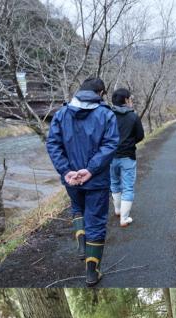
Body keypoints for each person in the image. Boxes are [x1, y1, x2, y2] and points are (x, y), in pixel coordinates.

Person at [45, 77, 119, 286]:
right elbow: (110, 145)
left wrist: (66, 171)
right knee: (95, 220)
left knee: (77, 206)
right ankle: (92, 272)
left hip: (71, 179)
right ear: (101, 93)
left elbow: (53, 144)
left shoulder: (61, 114)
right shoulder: (106, 114)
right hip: (96, 179)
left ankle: (81, 243)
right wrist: (90, 169)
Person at [108, 88, 145, 227]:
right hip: (128, 156)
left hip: (110, 156)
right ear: (125, 100)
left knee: (114, 183)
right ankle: (124, 218)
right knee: (128, 187)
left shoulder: (107, 115)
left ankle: (117, 210)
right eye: (129, 98)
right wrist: (129, 142)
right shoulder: (133, 116)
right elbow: (140, 136)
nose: (131, 101)